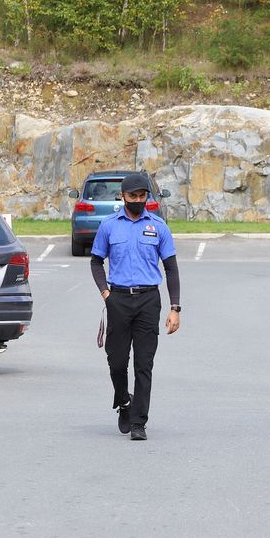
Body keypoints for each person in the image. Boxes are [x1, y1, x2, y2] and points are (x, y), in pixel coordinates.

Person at [90, 173, 180, 441]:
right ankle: (124, 402)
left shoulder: (159, 226)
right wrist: (106, 294)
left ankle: (139, 422)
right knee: (117, 362)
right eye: (133, 196)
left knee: (144, 364)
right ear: (123, 196)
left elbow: (171, 268)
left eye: (143, 196)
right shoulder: (109, 226)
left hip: (148, 301)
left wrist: (175, 307)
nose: (138, 200)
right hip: (117, 299)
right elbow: (96, 262)